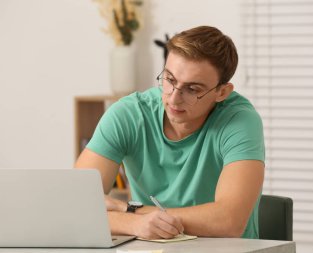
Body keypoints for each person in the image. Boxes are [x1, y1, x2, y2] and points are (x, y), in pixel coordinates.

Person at [75, 25, 265, 240]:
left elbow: (228, 222)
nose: (174, 98)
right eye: (170, 80)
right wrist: (134, 224)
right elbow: (76, 205)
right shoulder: (128, 114)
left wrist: (128, 210)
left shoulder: (239, 121)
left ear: (222, 92)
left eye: (193, 89)